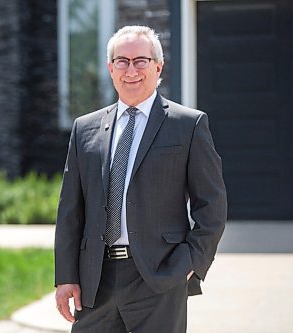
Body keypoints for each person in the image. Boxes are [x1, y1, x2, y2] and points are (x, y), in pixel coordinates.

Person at [54, 25, 227, 333]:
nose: (130, 70)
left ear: (157, 67)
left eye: (140, 61)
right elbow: (70, 210)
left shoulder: (188, 125)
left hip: (159, 277)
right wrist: (66, 275)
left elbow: (211, 205)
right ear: (110, 68)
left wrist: (188, 263)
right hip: (96, 280)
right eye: (122, 61)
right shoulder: (85, 129)